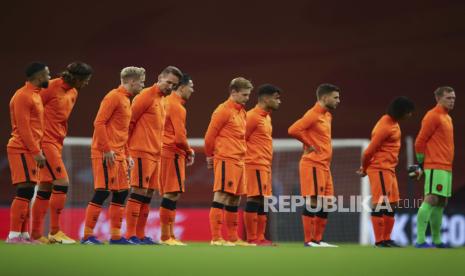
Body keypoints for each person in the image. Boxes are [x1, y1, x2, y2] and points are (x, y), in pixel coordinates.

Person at [81, 66, 146, 245]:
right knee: (102, 192)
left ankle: (116, 236)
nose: (142, 85)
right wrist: (107, 149)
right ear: (131, 81)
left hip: (119, 154)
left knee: (122, 193)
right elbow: (99, 122)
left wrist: (127, 154)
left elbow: (122, 131)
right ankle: (87, 236)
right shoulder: (113, 97)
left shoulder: (126, 100)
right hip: (106, 153)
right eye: (141, 82)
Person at [31, 62, 93, 244]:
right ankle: (55, 231)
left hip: (56, 143)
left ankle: (35, 235)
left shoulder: (74, 92)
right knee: (62, 181)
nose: (87, 84)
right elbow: (31, 109)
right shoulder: (49, 87)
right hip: (45, 142)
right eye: (86, 80)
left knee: (45, 187)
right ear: (76, 78)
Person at [124, 66, 182, 245]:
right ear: (159, 77)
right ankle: (130, 234)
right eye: (168, 82)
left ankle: (140, 235)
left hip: (155, 154)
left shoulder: (164, 100)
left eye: (174, 85)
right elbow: (128, 123)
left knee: (148, 194)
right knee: (139, 191)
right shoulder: (145, 96)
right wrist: (127, 151)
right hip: (140, 151)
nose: (170, 87)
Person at [356, 97, 415, 247]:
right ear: (401, 111)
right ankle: (379, 241)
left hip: (389, 169)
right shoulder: (384, 126)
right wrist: (364, 167)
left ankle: (387, 238)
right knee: (381, 204)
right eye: (409, 112)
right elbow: (368, 151)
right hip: (380, 168)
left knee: (392, 203)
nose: (410, 115)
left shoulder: (393, 123)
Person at [288, 83, 340, 247]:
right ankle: (308, 240)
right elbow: (293, 129)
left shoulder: (327, 115)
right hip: (313, 164)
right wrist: (309, 144)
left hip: (324, 165)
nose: (339, 100)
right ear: (325, 98)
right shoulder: (313, 114)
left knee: (328, 202)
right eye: (336, 97)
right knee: (314, 201)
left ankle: (318, 239)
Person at [205, 77, 253, 246]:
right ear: (233, 92)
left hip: (240, 160)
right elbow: (209, 136)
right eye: (244, 95)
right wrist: (210, 156)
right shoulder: (223, 110)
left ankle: (233, 238)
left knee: (235, 199)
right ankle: (216, 238)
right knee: (221, 195)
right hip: (226, 158)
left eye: (248, 95)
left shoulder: (242, 111)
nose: (247, 98)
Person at [6, 62, 50, 244]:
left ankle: (23, 235)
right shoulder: (23, 96)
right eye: (47, 74)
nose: (49, 77)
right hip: (21, 148)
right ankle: (14, 235)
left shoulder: (35, 95)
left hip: (29, 149)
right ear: (39, 77)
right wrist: (36, 151)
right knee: (24, 190)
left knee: (28, 190)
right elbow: (24, 128)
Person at [414, 87, 455, 248]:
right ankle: (420, 240)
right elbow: (419, 141)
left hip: (446, 166)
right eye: (448, 98)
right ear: (438, 98)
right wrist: (420, 163)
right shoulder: (432, 116)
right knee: (431, 198)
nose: (452, 101)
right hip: (434, 165)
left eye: (453, 98)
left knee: (441, 202)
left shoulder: (447, 118)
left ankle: (437, 240)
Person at [158, 74, 195, 246]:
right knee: (171, 193)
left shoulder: (165, 101)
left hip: (164, 150)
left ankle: (169, 236)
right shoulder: (177, 106)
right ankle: (167, 237)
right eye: (191, 86)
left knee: (171, 192)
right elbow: (180, 138)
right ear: (182, 87)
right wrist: (189, 150)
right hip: (172, 151)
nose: (192, 90)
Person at [243, 84, 281, 246]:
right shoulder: (251, 116)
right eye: (276, 98)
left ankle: (260, 237)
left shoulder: (267, 117)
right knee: (254, 199)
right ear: (266, 98)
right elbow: (239, 138)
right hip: (254, 164)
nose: (279, 101)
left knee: (264, 201)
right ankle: (252, 238)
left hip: (265, 165)